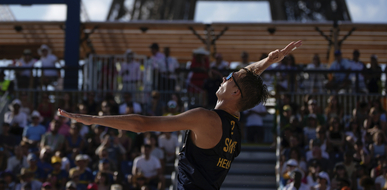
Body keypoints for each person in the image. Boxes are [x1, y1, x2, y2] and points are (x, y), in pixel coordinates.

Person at [60, 41, 302, 190]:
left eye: (229, 78)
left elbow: (142, 124)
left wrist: (92, 119)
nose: (224, 77)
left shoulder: (204, 118)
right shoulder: (234, 124)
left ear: (235, 91)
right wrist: (267, 62)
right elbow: (245, 81)